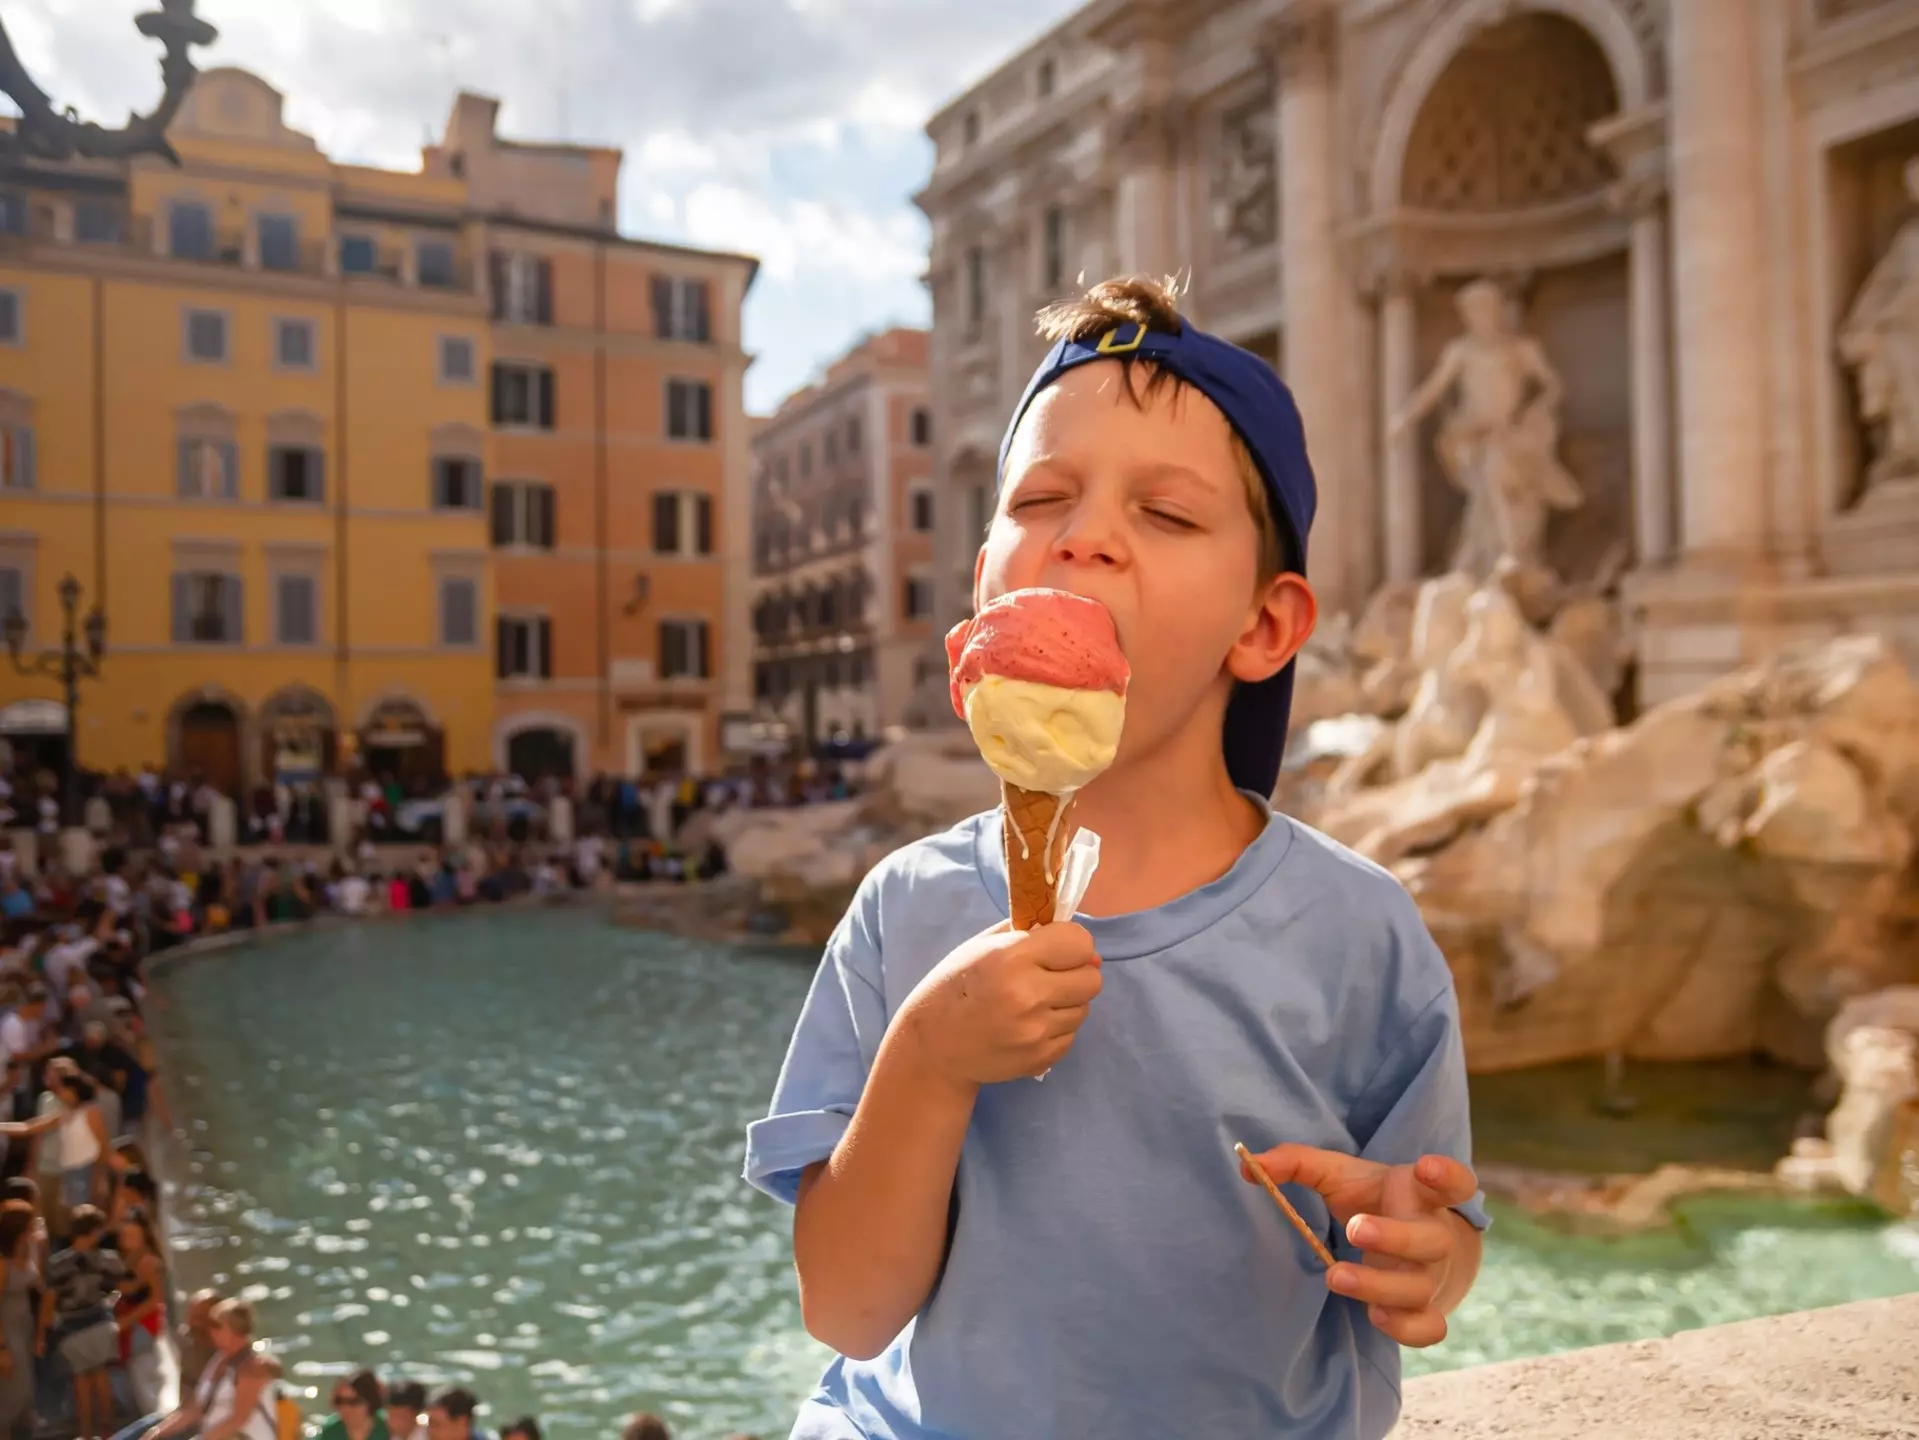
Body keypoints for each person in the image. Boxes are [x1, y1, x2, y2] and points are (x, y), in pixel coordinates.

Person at [742, 276, 1487, 1439]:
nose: (1084, 535)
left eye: (1169, 515)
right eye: (1040, 498)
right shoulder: (906, 908)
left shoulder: (1357, 934)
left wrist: (1416, 1256)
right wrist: (928, 1061)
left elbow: (1439, 1253)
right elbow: (844, 1308)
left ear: (1264, 627)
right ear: (974, 616)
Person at [40, 1205, 125, 1440]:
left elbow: (49, 1301)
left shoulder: (57, 1263)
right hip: (101, 1324)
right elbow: (122, 1287)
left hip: (72, 1330)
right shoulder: (109, 1259)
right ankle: (109, 1432)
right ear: (96, 1231)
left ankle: (86, 1434)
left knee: (81, 1382)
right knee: (101, 1376)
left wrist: (41, 1333)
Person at [139, 1297, 275, 1440]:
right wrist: (158, 1432)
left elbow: (239, 1420)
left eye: (216, 1325)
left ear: (236, 1329)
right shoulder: (219, 1361)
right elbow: (196, 1409)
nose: (211, 1330)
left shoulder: (253, 1367)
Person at [113, 1211, 167, 1415]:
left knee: (141, 1376)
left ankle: (151, 1420)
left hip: (143, 1324)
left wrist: (125, 1322)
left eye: (132, 1236)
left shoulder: (148, 1262)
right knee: (132, 1375)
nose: (127, 1240)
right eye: (124, 1236)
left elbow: (156, 1299)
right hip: (131, 1321)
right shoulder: (127, 1258)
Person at [0, 1206, 36, 1440]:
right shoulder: (2, 1264)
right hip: (7, 1333)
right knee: (7, 1400)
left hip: (24, 1331)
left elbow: (38, 1282)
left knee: (23, 1394)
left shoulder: (24, 1253)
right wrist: (2, 1348)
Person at [314, 1370, 386, 1440]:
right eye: (339, 1401)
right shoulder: (330, 1432)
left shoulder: (389, 1429)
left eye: (354, 1402)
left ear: (371, 1402)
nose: (345, 1408)